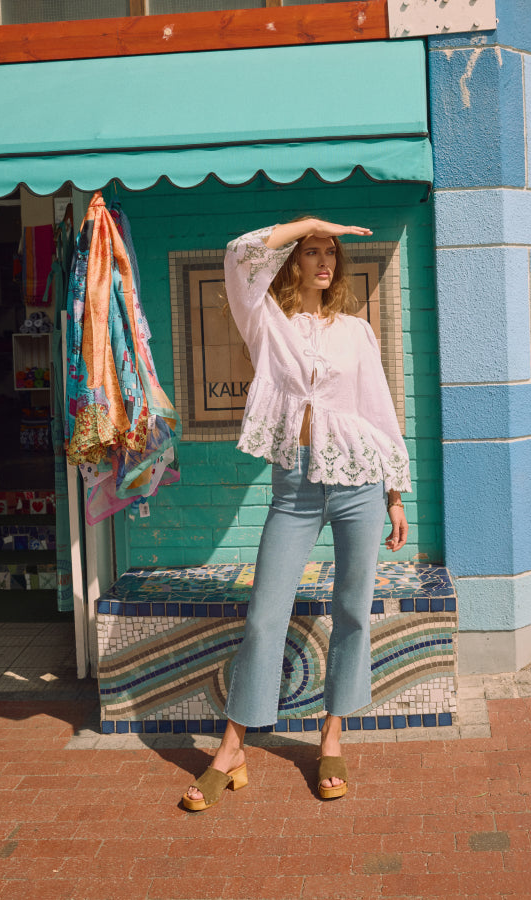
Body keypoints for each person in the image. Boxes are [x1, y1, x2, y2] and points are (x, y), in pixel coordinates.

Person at [182, 218, 410, 811]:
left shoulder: (356, 331)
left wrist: (394, 494)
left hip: (358, 481)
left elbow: (380, 412)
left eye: (331, 251)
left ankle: (331, 736)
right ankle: (233, 746)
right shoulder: (267, 321)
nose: (324, 259)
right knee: (265, 616)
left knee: (352, 610)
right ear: (295, 261)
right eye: (313, 251)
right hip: (295, 488)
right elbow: (239, 253)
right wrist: (308, 221)